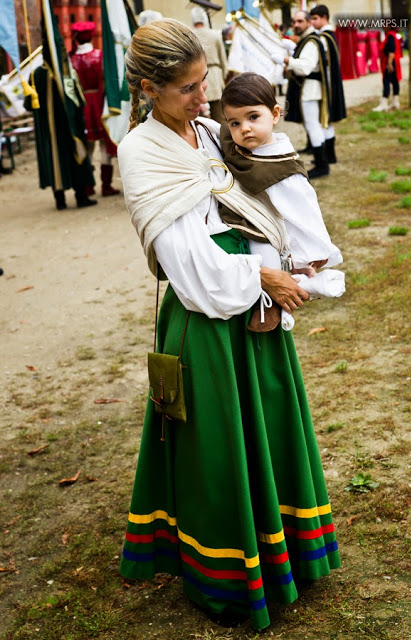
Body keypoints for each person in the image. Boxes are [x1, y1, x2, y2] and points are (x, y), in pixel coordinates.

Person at [118, 19, 340, 631]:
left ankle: (285, 553)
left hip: (253, 300)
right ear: (145, 88)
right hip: (209, 316)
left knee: (265, 429)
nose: (202, 99)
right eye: (187, 88)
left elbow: (264, 188)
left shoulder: (211, 131)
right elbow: (186, 263)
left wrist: (296, 254)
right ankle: (228, 575)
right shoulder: (141, 152)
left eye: (203, 81)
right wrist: (262, 279)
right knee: (222, 452)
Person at [219, 72, 344, 332]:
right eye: (235, 123)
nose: (244, 128)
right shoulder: (236, 144)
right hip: (240, 221)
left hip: (266, 230)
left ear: (275, 114)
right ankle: (298, 283)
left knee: (265, 255)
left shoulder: (282, 165)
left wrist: (312, 252)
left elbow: (302, 211)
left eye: (253, 117)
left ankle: (275, 305)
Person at [27, 19, 96, 209]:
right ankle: (80, 197)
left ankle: (60, 200)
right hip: (69, 127)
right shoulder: (66, 74)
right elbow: (79, 100)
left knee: (56, 161)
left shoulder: (36, 75)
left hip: (49, 132)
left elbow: (28, 104)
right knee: (74, 158)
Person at [70, 21, 120, 196]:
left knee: (87, 146)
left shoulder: (71, 60)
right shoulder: (100, 56)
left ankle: (88, 186)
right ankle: (106, 186)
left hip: (81, 104)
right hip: (99, 103)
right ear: (91, 36)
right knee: (104, 145)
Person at [283, 11, 330, 179]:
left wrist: (288, 61)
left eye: (300, 21)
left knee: (313, 125)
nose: (296, 24)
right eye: (294, 21)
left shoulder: (311, 42)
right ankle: (321, 162)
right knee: (313, 125)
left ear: (309, 22)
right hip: (308, 89)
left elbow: (306, 67)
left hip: (310, 90)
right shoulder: (307, 40)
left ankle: (322, 165)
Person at [309, 5, 346, 164]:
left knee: (323, 119)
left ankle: (327, 157)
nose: (313, 22)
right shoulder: (329, 35)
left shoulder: (324, 38)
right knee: (326, 120)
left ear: (324, 17)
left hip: (326, 85)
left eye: (315, 18)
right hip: (330, 84)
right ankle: (330, 156)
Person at [190, 7, 228, 123]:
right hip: (215, 75)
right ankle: (223, 138)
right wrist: (224, 75)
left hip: (195, 76)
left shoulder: (190, 35)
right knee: (219, 114)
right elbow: (223, 58)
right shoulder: (214, 35)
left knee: (198, 115)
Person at [372, 26, 402, 112]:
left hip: (390, 62)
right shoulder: (391, 35)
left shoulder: (390, 36)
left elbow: (391, 50)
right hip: (392, 61)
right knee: (394, 81)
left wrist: (389, 63)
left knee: (386, 81)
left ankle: (384, 103)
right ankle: (395, 102)